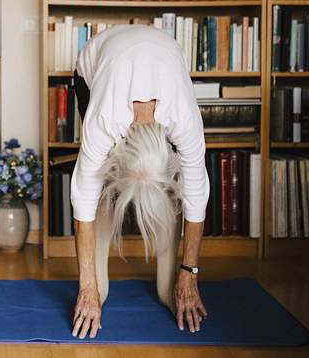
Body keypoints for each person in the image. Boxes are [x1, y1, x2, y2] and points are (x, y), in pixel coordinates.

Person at [69, 25, 209, 339]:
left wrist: (188, 275)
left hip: (160, 55)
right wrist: (88, 289)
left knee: (165, 291)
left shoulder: (183, 119)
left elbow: (197, 195)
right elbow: (82, 197)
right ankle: (97, 284)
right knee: (98, 187)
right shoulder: (104, 120)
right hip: (94, 70)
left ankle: (168, 280)